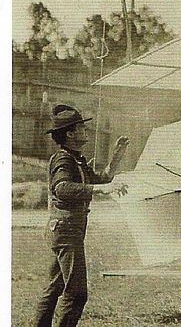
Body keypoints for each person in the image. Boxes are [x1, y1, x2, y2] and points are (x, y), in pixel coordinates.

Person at [34, 104, 130, 327]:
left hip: (65, 229)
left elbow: (102, 179)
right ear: (70, 133)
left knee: (54, 287)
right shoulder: (63, 160)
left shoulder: (75, 159)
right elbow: (62, 188)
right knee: (77, 293)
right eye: (81, 128)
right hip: (65, 229)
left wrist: (116, 156)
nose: (86, 132)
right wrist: (99, 190)